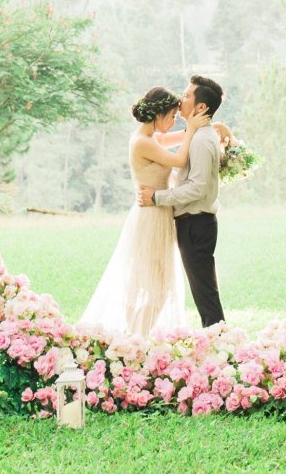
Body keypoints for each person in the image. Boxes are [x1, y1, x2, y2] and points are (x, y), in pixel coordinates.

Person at [79, 87, 209, 336]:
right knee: (149, 286)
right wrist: (192, 129)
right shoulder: (142, 142)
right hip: (149, 218)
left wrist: (196, 128)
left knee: (156, 285)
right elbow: (180, 160)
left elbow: (179, 138)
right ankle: (135, 336)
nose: (173, 122)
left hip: (159, 213)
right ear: (158, 114)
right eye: (171, 116)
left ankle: (137, 335)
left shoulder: (152, 138)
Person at [138, 74, 226, 329]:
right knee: (204, 291)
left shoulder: (199, 140)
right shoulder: (198, 135)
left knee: (205, 294)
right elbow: (187, 174)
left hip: (196, 224)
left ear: (201, 107)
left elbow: (196, 188)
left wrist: (157, 197)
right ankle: (220, 342)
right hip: (194, 223)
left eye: (187, 95)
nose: (181, 99)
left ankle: (222, 345)